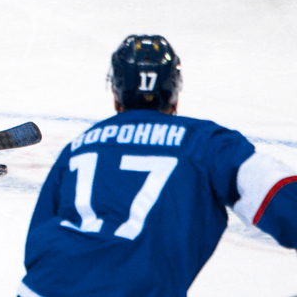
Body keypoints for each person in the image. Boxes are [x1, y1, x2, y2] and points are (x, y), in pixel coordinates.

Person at [18, 35, 297, 297]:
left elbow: (38, 239)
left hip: (43, 288)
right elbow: (275, 191)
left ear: (116, 94)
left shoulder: (80, 146)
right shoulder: (204, 142)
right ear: (174, 94)